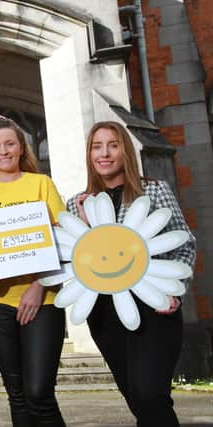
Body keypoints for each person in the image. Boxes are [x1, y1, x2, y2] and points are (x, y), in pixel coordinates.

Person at [67, 121, 196, 427]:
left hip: (153, 305)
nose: (105, 154)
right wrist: (84, 221)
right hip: (104, 312)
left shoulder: (153, 190)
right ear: (89, 154)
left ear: (125, 151)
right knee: (136, 398)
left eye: (113, 145)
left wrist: (174, 292)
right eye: (97, 147)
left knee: (150, 393)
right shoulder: (77, 203)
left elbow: (184, 243)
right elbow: (81, 259)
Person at [0, 115, 66, 427]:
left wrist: (40, 284)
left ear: (21, 148)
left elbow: (62, 239)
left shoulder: (41, 184)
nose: (3, 151)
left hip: (43, 299)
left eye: (10, 143)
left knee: (40, 392)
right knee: (18, 395)